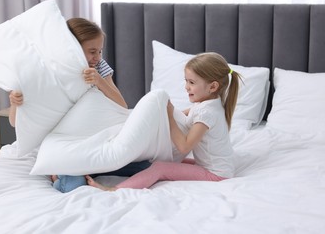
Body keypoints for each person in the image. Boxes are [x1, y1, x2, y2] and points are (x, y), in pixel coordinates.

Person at [8, 17, 150, 192]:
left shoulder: (99, 67)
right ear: (72, 47)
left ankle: (88, 168)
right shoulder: (45, 73)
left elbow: (121, 104)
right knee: (72, 186)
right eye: (92, 52)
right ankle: (65, 172)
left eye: (100, 51)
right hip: (67, 145)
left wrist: (100, 81)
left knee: (145, 166)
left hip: (94, 141)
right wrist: (15, 103)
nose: (97, 57)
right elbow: (15, 123)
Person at [86, 52, 241, 191]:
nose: (186, 87)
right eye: (186, 81)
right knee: (160, 163)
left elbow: (184, 146)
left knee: (160, 168)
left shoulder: (208, 113)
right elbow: (184, 114)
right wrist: (163, 113)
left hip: (216, 174)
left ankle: (115, 189)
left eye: (192, 83)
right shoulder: (207, 104)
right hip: (215, 167)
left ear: (213, 86)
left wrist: (169, 117)